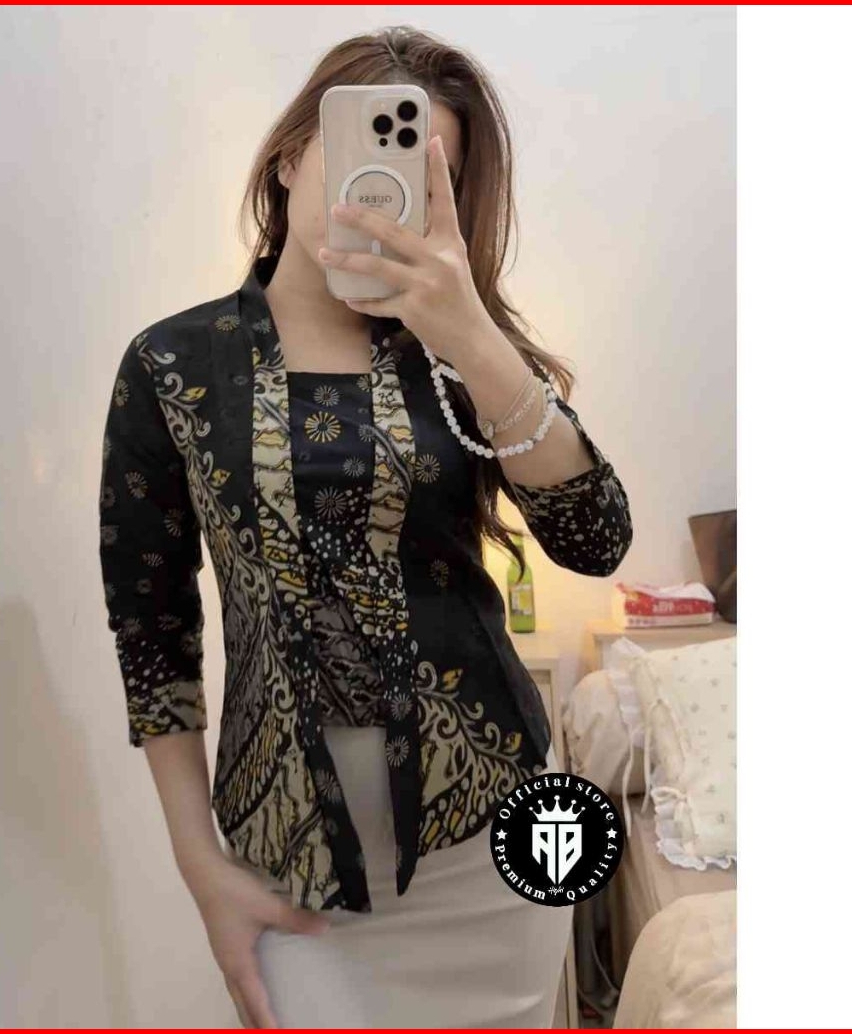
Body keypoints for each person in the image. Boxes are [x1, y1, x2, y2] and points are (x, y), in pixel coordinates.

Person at [97, 24, 633, 1029]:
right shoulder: (171, 365)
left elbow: (594, 537)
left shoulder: (461, 355)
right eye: (359, 149)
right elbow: (151, 632)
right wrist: (201, 869)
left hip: (497, 838)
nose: (380, 190)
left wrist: (469, 330)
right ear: (290, 155)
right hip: (291, 854)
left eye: (431, 176)